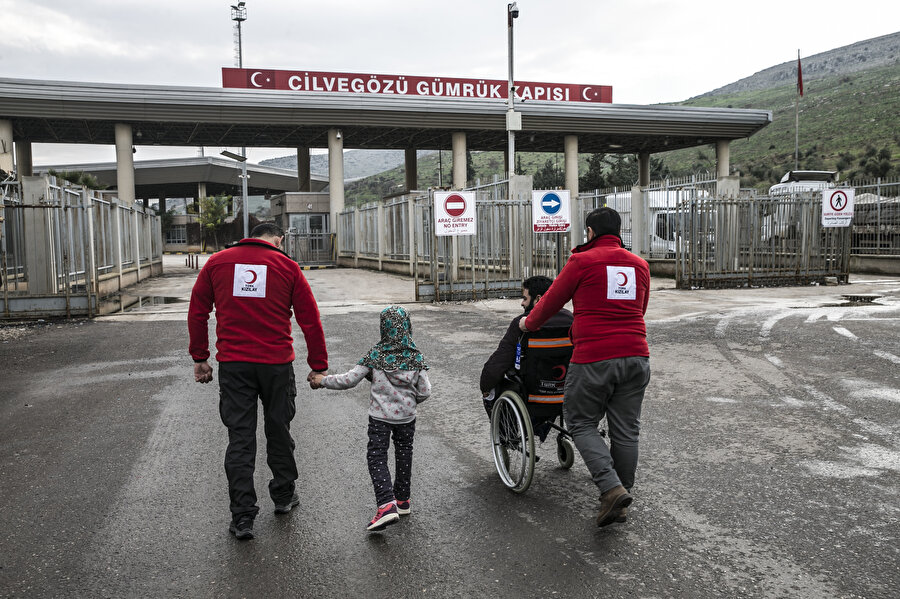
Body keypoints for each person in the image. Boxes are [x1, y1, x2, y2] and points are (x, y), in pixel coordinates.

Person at [188, 223, 328, 541]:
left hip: (235, 366)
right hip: (277, 366)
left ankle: (243, 517)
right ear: (278, 239)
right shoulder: (287, 266)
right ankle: (282, 496)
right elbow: (309, 317)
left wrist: (200, 357)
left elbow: (197, 311)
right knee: (278, 431)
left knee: (240, 440)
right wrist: (318, 365)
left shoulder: (217, 262)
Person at [520, 207, 650, 527]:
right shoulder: (640, 265)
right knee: (626, 429)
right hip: (636, 355)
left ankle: (611, 488)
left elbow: (550, 301)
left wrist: (528, 323)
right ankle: (620, 494)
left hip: (594, 358)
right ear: (619, 232)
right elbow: (640, 308)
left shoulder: (582, 261)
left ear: (590, 233)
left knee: (580, 422)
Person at [310, 305, 431, 532]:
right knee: (404, 453)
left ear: (383, 328)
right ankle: (402, 500)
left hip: (380, 419)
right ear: (407, 327)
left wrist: (321, 380)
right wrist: (409, 403)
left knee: (377, 457)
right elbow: (425, 391)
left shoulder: (375, 355)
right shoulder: (416, 358)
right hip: (407, 419)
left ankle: (386, 504)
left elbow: (349, 380)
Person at [479, 275, 573, 421]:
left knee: (492, 385)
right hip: (568, 397)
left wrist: (485, 387)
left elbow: (498, 362)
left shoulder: (522, 324)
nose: (522, 304)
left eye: (525, 298)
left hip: (532, 399)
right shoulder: (571, 320)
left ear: (539, 299)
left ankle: (506, 439)